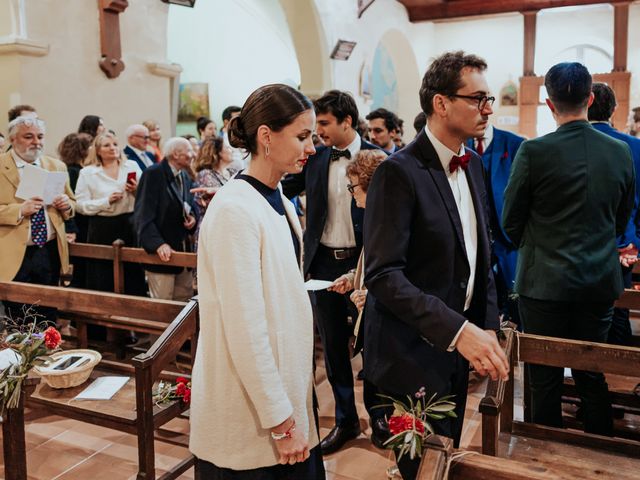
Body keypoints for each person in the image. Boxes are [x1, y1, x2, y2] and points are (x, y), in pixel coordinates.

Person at [363, 51, 509, 479]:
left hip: (458, 348)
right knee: (419, 466)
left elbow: (480, 257)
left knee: (444, 455)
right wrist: (460, 332)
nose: (487, 109)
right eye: (477, 98)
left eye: (489, 99)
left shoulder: (474, 164)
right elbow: (384, 276)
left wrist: (487, 328)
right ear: (441, 103)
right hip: (411, 351)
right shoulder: (399, 172)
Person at [190, 83, 325, 479]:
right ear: (266, 136)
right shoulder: (235, 209)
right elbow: (245, 328)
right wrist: (280, 419)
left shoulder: (278, 197)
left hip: (287, 393)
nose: (311, 148)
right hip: (254, 417)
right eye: (302, 137)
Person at [503, 62, 635, 437]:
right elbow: (621, 219)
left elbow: (511, 219)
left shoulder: (534, 151)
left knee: (543, 376)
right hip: (597, 279)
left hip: (543, 282)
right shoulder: (619, 152)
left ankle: (546, 453)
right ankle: (599, 444)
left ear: (549, 103)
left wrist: (538, 243)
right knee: (591, 369)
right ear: (590, 99)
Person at [282, 89, 382, 455]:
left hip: (364, 263)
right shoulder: (315, 158)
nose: (317, 131)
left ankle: (381, 416)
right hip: (322, 262)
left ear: (347, 122)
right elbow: (277, 183)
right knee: (334, 348)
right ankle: (345, 420)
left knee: (373, 343)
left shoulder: (379, 157)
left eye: (323, 124)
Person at [328, 149, 389, 448]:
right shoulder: (375, 216)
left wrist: (375, 297)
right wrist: (353, 277)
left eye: (353, 187)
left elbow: (402, 274)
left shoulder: (388, 221)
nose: (351, 195)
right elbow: (372, 261)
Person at [0, 116, 75, 325]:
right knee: (19, 315)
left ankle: (49, 355)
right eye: (28, 136)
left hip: (48, 248)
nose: (36, 142)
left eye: (40, 137)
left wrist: (66, 205)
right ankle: (22, 356)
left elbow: (73, 204)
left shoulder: (56, 166)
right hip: (14, 250)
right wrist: (19, 210)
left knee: (48, 311)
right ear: (13, 139)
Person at [588, 82, 640, 346]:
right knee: (619, 307)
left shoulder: (571, 142)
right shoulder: (635, 146)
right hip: (623, 244)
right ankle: (616, 364)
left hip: (580, 246)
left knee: (583, 314)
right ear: (615, 109)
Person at [466, 124, 525, 324]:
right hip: (474, 234)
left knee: (514, 296)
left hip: (507, 237)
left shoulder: (515, 144)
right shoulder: (460, 142)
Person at [75, 132, 145, 295]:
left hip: (128, 223)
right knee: (102, 273)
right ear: (98, 150)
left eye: (115, 144)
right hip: (102, 226)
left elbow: (145, 197)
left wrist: (136, 191)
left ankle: (133, 312)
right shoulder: (88, 173)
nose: (112, 148)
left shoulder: (132, 166)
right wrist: (106, 201)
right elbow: (80, 205)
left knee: (132, 272)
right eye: (107, 145)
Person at [134, 137, 197, 301]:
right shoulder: (153, 174)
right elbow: (143, 214)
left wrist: (193, 219)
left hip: (183, 250)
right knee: (163, 305)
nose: (193, 154)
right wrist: (158, 243)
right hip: (162, 253)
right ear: (176, 154)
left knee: (184, 304)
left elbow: (189, 204)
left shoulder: (184, 175)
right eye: (189, 150)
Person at [191, 137, 238, 251]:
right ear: (219, 153)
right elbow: (216, 201)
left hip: (231, 225)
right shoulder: (206, 174)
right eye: (227, 148)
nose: (232, 150)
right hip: (213, 226)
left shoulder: (233, 173)